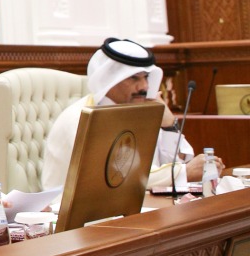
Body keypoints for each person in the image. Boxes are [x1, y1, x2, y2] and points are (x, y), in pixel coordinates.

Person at [42, 38, 223, 190]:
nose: (144, 86)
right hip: (70, 216)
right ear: (109, 79)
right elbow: (119, 176)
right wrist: (183, 173)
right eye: (134, 78)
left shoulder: (135, 110)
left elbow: (173, 162)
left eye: (145, 77)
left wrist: (168, 126)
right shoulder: (84, 117)